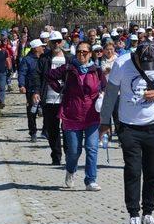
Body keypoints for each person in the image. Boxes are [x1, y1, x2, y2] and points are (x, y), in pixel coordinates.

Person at [99, 41, 154, 224]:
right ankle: (133, 215)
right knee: (133, 171)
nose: (148, 69)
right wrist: (105, 121)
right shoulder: (121, 64)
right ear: (137, 58)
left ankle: (148, 213)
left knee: (153, 172)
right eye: (144, 65)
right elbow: (110, 93)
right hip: (128, 126)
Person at [46, 41, 105, 190]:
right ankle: (70, 171)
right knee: (74, 150)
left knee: (92, 148)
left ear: (90, 53)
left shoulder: (96, 70)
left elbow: (105, 87)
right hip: (72, 113)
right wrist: (60, 88)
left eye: (85, 52)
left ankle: (90, 180)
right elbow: (49, 76)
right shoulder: (68, 68)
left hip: (92, 115)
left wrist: (102, 95)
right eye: (79, 51)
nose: (81, 54)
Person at [32, 31, 71, 165]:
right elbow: (36, 76)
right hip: (49, 99)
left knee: (67, 129)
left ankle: (69, 155)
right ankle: (56, 157)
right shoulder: (44, 59)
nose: (56, 44)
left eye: (59, 41)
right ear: (49, 43)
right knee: (52, 129)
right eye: (53, 42)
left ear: (62, 42)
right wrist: (36, 91)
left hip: (66, 100)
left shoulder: (69, 58)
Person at [18, 39, 45, 142]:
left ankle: (45, 131)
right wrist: (22, 85)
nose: (43, 48)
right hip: (31, 89)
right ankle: (33, 132)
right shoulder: (27, 60)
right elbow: (22, 73)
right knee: (31, 112)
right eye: (41, 46)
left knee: (47, 111)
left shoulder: (44, 58)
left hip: (44, 89)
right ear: (35, 49)